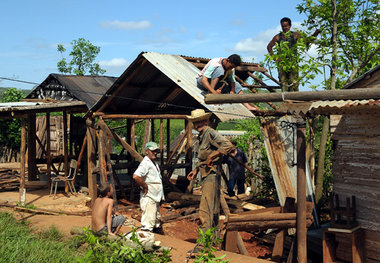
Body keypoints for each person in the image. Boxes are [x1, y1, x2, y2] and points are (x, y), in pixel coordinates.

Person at [186, 109, 235, 238]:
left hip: (212, 175)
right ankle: (213, 240)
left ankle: (203, 244)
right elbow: (203, 157)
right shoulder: (202, 136)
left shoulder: (210, 133)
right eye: (195, 123)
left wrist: (213, 155)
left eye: (199, 122)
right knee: (213, 208)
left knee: (205, 209)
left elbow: (228, 145)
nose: (197, 126)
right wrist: (195, 170)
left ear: (206, 121)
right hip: (206, 175)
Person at [267, 17, 321, 92]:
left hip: (293, 63)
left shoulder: (295, 35)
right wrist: (274, 57)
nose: (284, 28)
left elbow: (307, 41)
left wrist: (315, 34)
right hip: (282, 64)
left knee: (294, 83)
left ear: (290, 26)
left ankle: (294, 100)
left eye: (286, 26)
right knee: (284, 83)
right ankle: (286, 101)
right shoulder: (277, 37)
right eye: (283, 26)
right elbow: (269, 46)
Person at [133, 141, 164, 233]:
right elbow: (136, 176)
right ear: (146, 151)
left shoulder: (154, 163)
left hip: (155, 196)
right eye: (152, 151)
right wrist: (144, 186)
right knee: (148, 221)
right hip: (149, 196)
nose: (155, 153)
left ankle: (157, 240)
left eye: (156, 151)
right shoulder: (145, 163)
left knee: (156, 219)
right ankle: (145, 242)